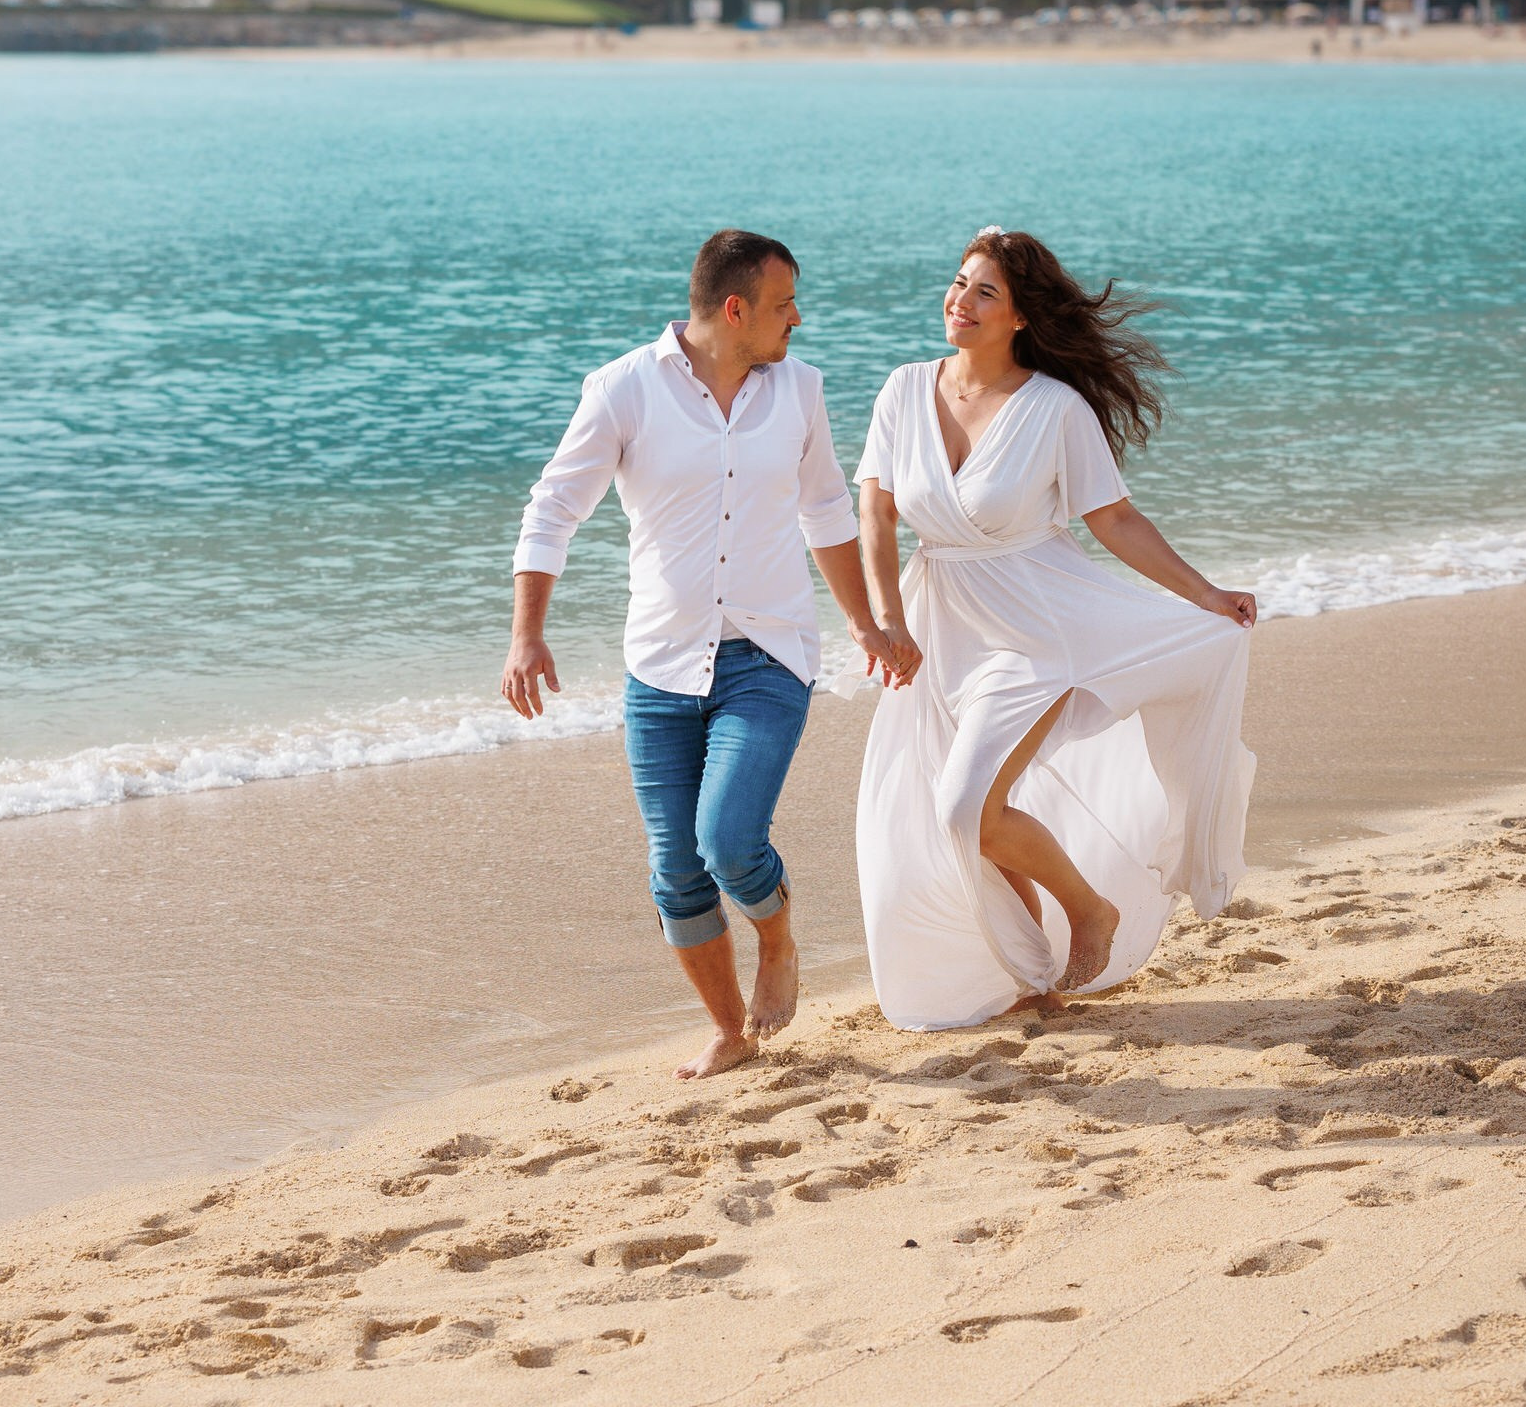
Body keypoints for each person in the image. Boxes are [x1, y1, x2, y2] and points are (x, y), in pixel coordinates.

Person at [505, 229, 901, 1078]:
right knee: (676, 873)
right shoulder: (623, 391)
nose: (798, 317)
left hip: (769, 653)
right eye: (784, 302)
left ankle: (778, 932)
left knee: (727, 842)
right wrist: (527, 634)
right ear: (735, 309)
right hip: (660, 668)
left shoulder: (799, 391)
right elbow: (553, 510)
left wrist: (865, 626)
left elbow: (827, 512)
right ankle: (730, 1032)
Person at [853, 227, 1259, 1031]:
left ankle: (1090, 909)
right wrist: (884, 621)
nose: (960, 302)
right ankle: (1028, 970)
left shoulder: (1054, 409)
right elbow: (875, 506)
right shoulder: (905, 389)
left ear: (1021, 318)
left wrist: (1204, 592)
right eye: (959, 283)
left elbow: (1112, 517)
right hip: (936, 627)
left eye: (984, 293)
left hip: (1034, 629)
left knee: (966, 804)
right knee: (961, 808)